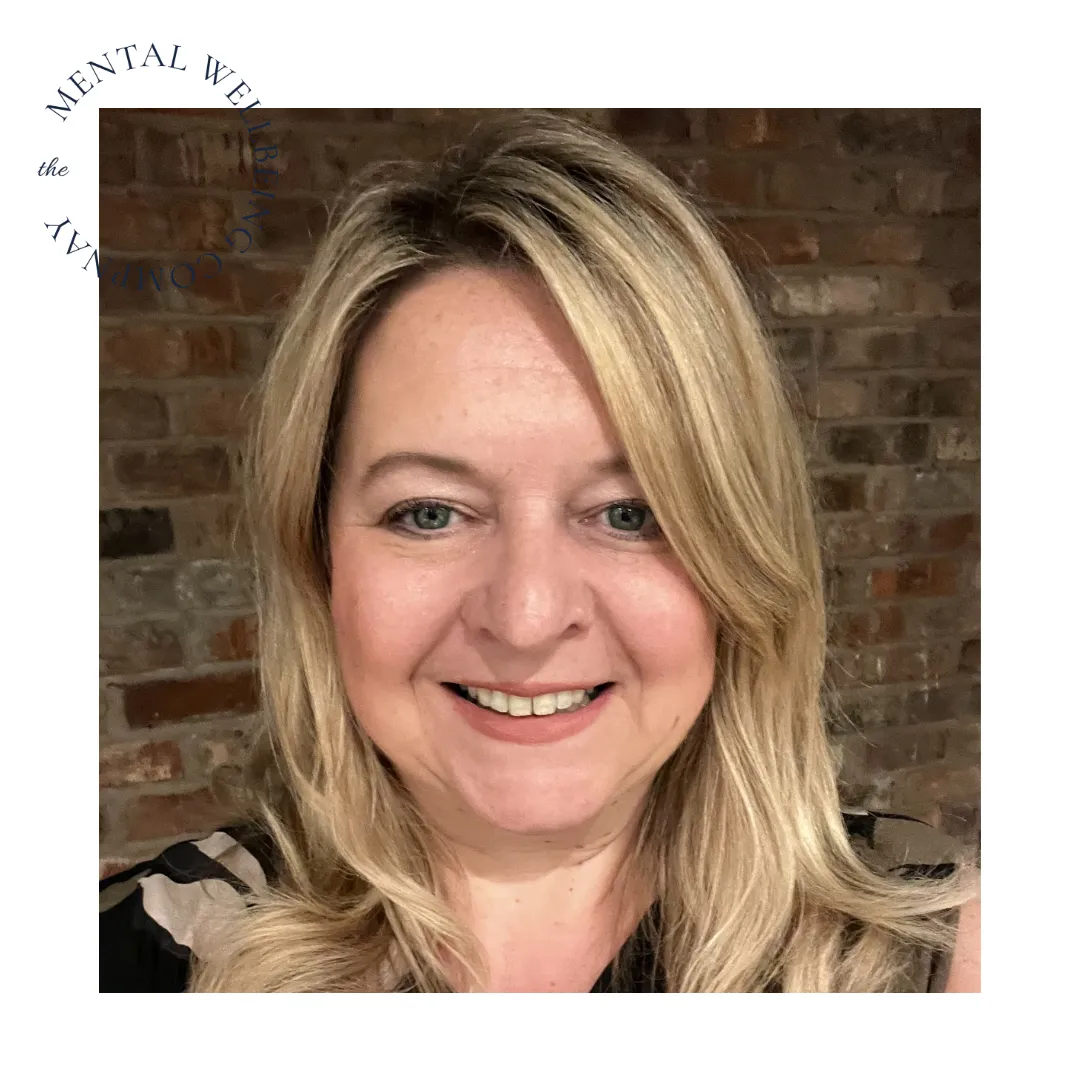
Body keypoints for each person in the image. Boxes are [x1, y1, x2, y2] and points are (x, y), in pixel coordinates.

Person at [100, 110, 980, 993]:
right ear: (318, 550)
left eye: (631, 513)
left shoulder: (932, 959)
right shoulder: (133, 964)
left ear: (740, 557)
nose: (525, 619)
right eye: (430, 514)